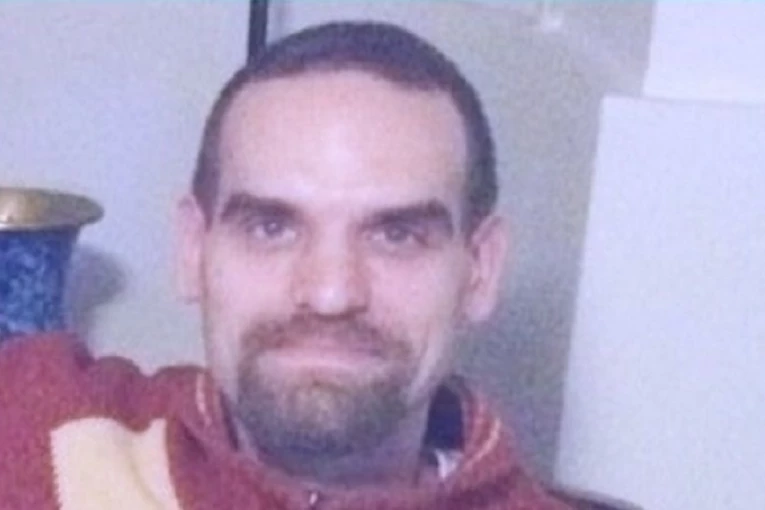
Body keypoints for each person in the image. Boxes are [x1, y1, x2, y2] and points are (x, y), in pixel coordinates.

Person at [0, 21, 571, 509]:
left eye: (396, 236)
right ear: (194, 249)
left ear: (480, 270)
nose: (330, 294)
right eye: (270, 228)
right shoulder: (41, 429)